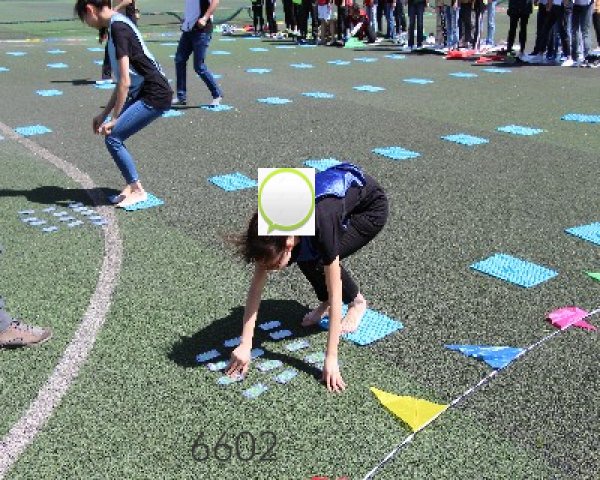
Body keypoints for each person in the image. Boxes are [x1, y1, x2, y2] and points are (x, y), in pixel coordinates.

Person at [226, 163, 389, 392]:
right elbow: (256, 287)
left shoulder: (322, 220)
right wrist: (245, 343)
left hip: (369, 209)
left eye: (273, 265)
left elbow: (335, 288)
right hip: (329, 203)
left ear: (288, 243)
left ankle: (357, 302)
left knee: (319, 257)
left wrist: (331, 358)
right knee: (308, 253)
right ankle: (323, 302)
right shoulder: (269, 222)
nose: (269, 270)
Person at [75, 0, 172, 208]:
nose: (86, 23)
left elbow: (125, 82)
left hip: (155, 93)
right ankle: (131, 186)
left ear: (90, 10)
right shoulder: (116, 24)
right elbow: (121, 82)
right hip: (144, 91)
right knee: (113, 135)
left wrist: (114, 119)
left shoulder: (118, 28)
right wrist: (104, 115)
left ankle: (137, 190)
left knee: (113, 138)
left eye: (84, 18)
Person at [172, 0, 223, 106]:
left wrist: (205, 18)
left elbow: (215, 1)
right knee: (179, 60)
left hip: (201, 31)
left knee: (199, 67)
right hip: (188, 30)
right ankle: (181, 96)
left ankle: (217, 94)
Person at [101, 1, 138, 80]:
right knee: (110, 47)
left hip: (127, 20)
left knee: (132, 49)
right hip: (116, 20)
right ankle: (106, 76)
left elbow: (129, 1)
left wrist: (116, 8)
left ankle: (136, 74)